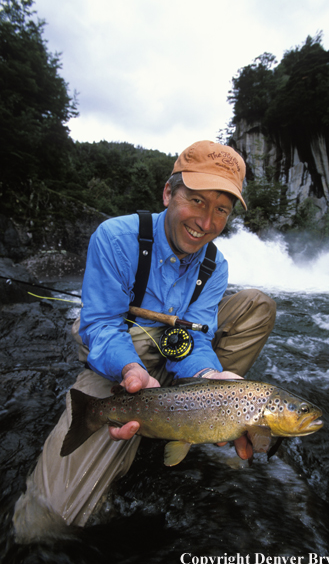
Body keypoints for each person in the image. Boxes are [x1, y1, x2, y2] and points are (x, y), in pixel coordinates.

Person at [13, 140, 276, 541]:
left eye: (221, 209)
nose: (206, 222)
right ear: (169, 193)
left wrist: (209, 374)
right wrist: (131, 369)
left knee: (257, 304)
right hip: (119, 361)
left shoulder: (215, 264)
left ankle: (204, 417)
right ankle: (153, 410)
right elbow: (101, 324)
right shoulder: (116, 237)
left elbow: (192, 339)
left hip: (175, 354)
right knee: (45, 524)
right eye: (197, 201)